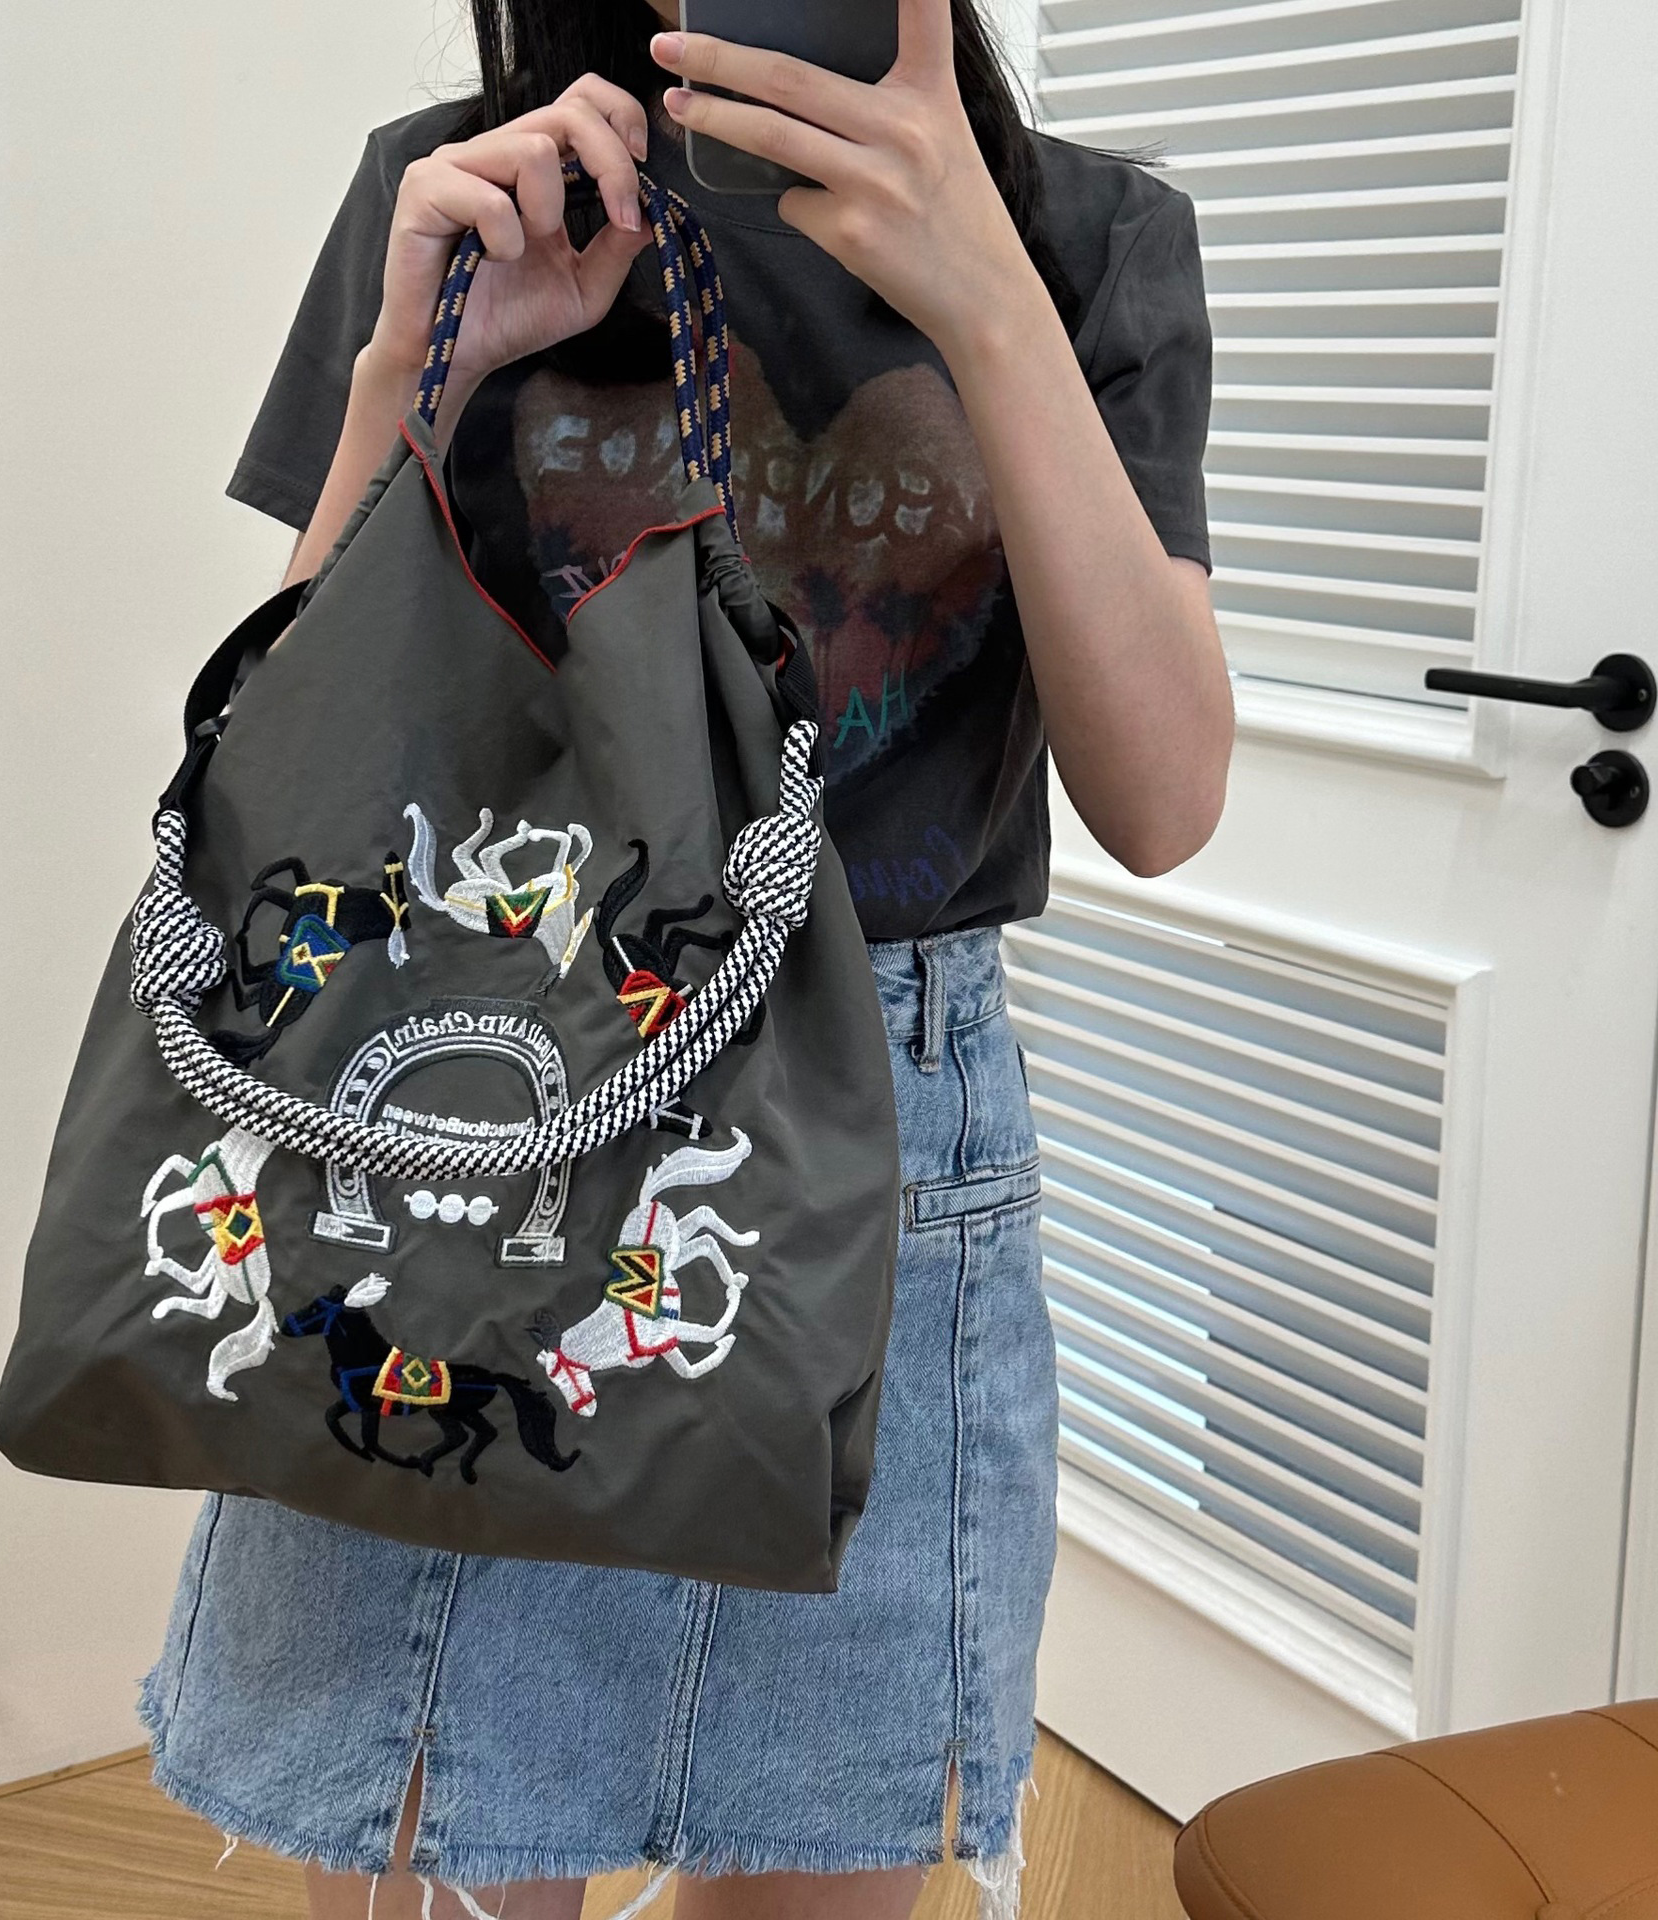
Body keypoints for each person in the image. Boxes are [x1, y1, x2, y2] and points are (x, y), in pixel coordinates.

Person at [139, 0, 1232, 1914]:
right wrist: (417, 371)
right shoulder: (474, 181)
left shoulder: (1083, 234)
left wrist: (992, 307)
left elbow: (1160, 799)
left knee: (817, 1846)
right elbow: (283, 777)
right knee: (424, 1853)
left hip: (882, 1171)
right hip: (468, 1114)